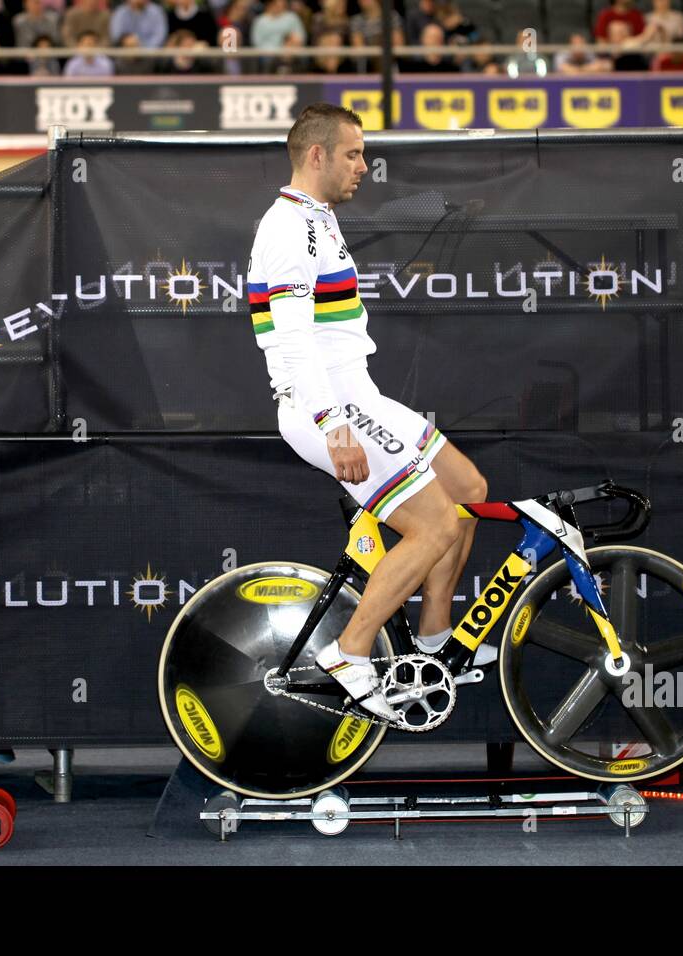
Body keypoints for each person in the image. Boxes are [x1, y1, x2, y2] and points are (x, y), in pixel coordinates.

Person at [247, 103, 491, 721]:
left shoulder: (318, 219)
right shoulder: (289, 228)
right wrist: (335, 426)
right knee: (434, 526)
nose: (365, 165)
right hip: (328, 405)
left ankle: (434, 638)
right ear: (317, 154)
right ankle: (352, 652)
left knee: (469, 492)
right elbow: (295, 338)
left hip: (359, 393)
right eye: (354, 153)